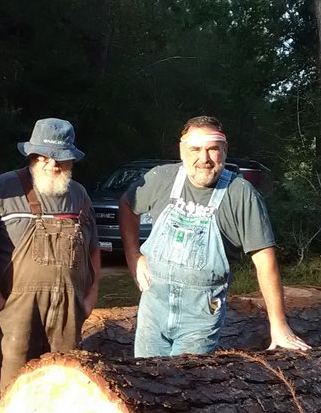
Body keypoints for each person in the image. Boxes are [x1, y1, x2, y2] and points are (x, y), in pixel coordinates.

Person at [119, 115, 310, 357]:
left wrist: (279, 326)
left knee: (184, 384)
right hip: (152, 310)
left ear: (225, 150)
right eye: (196, 149)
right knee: (145, 382)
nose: (204, 159)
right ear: (182, 150)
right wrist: (133, 254)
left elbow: (265, 261)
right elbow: (127, 205)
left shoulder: (240, 194)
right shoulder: (161, 179)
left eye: (212, 149)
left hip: (199, 318)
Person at [0, 118, 101, 403]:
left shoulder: (79, 196)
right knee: (11, 392)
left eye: (61, 158)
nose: (52, 165)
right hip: (16, 312)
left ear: (71, 160)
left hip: (69, 314)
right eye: (44, 157)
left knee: (63, 388)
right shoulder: (4, 189)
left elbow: (93, 249)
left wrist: (91, 297)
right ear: (32, 156)